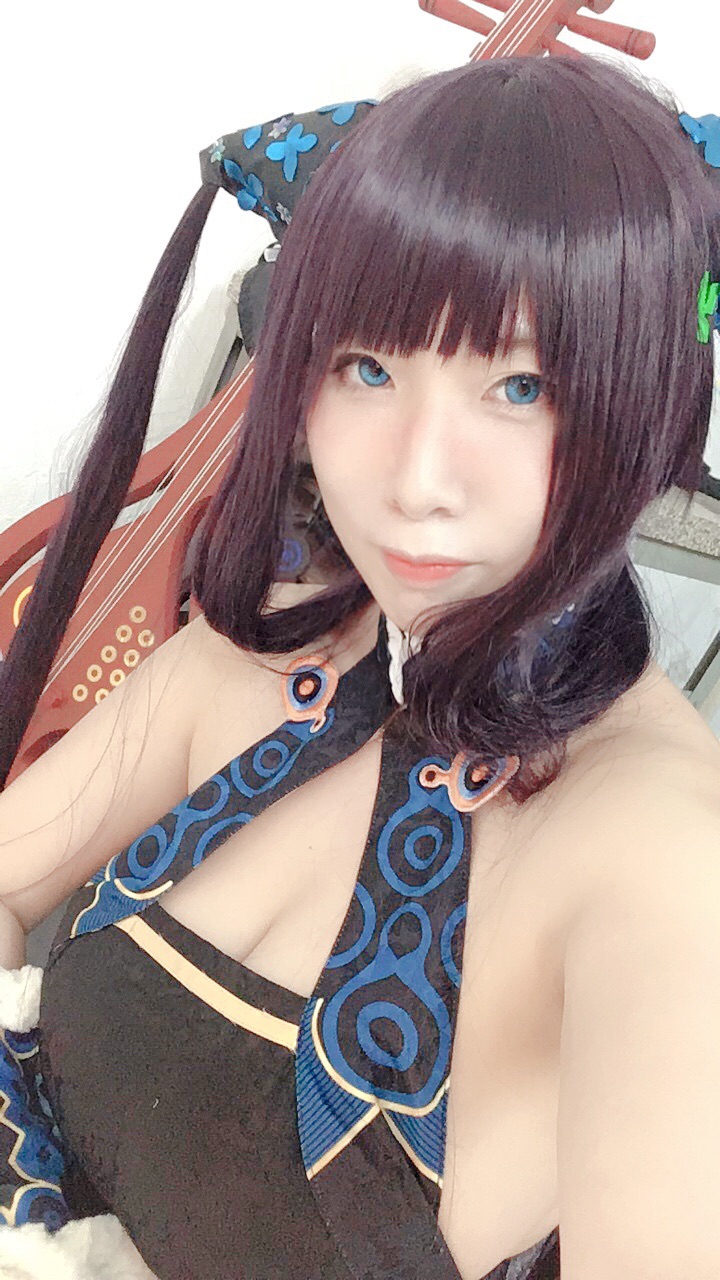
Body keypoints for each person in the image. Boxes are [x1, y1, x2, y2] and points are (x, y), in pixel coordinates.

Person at [0, 52, 719, 1280]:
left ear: (651, 403)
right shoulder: (271, 646)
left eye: (521, 384)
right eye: (367, 367)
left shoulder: (663, 856)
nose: (415, 480)